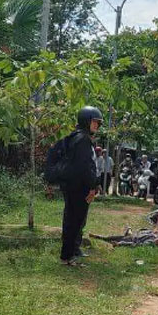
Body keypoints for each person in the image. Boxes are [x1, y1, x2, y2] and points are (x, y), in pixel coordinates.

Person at [60, 106, 101, 266]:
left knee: (73, 220)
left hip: (72, 185)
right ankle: (67, 256)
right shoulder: (82, 139)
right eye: (95, 122)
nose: (97, 126)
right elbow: (86, 166)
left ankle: (70, 253)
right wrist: (92, 186)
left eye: (98, 123)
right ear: (86, 121)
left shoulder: (76, 137)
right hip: (79, 186)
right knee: (74, 221)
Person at [90, 229, 158, 251]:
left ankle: (99, 237)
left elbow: (134, 245)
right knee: (110, 237)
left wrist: (121, 244)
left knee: (112, 239)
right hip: (134, 235)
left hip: (131, 239)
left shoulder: (149, 244)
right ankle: (99, 237)